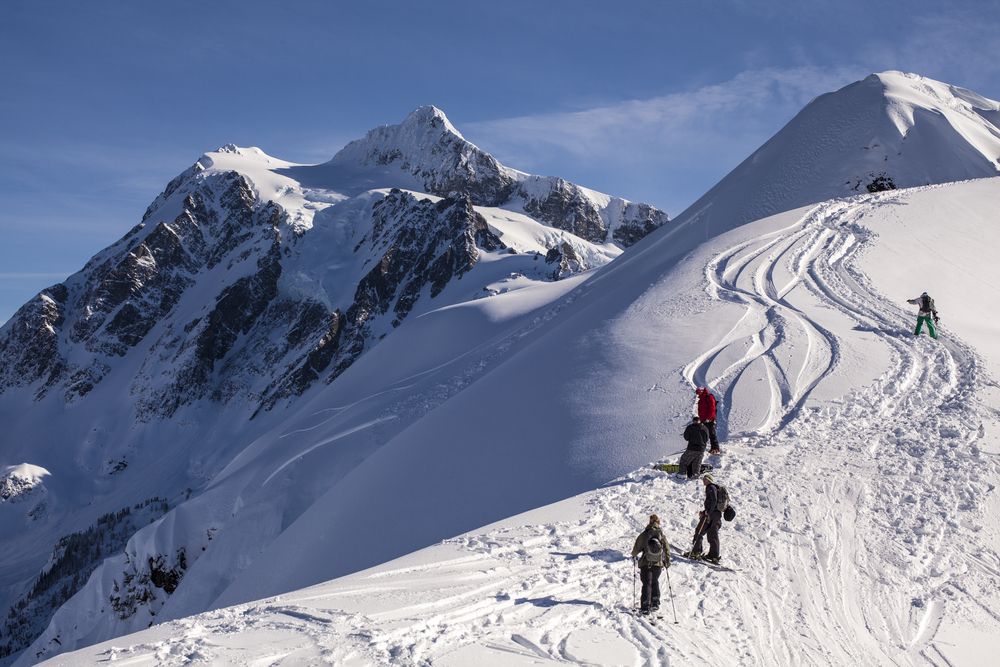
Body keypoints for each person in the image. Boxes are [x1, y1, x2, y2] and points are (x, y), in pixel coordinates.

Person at [631, 514, 670, 615]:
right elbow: (666, 548)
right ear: (658, 522)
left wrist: (634, 554)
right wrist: (667, 561)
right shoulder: (661, 534)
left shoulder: (645, 534)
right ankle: (655, 602)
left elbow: (637, 547)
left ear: (650, 521)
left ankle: (645, 606)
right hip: (658, 563)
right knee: (655, 581)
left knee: (647, 583)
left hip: (646, 563)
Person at [688, 474, 724, 564]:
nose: (703, 480)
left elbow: (714, 500)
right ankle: (713, 555)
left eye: (705, 479)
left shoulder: (710, 487)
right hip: (717, 515)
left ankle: (696, 552)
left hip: (710, 515)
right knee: (713, 534)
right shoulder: (715, 488)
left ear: (709, 480)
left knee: (699, 531)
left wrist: (708, 512)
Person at [695, 387, 721, 454]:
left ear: (701, 391)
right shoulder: (701, 399)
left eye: (698, 392)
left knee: (712, 434)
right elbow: (701, 410)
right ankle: (701, 448)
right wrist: (700, 419)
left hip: (709, 420)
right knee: (703, 434)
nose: (697, 394)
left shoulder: (709, 397)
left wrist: (709, 418)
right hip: (703, 419)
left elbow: (712, 408)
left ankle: (715, 448)